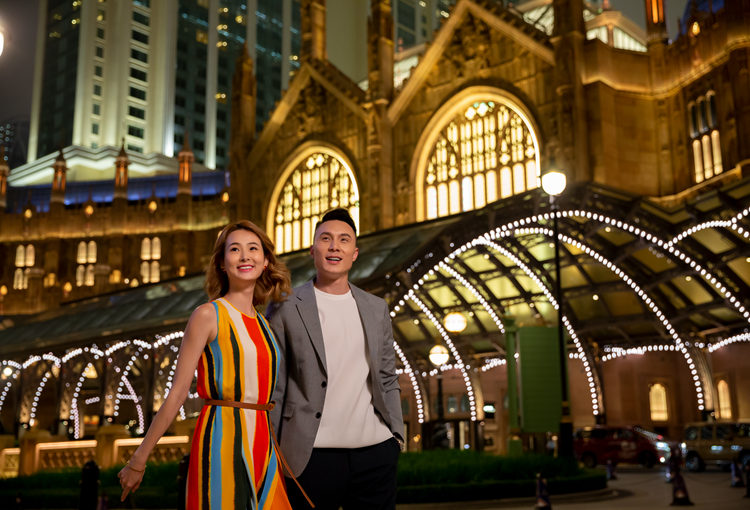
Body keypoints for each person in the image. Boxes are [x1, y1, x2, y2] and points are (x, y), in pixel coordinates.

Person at [118, 220, 294, 510]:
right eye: (234, 249)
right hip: (222, 438)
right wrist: (139, 459)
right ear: (222, 263)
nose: (245, 256)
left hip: (264, 442)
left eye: (253, 249)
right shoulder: (207, 315)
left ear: (265, 262)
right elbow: (177, 393)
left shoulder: (265, 324)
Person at [269, 208, 405, 510]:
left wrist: (396, 436)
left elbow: (386, 376)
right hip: (309, 456)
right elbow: (275, 385)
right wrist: (273, 450)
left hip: (374, 453)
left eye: (344, 240)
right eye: (326, 239)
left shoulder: (376, 308)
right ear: (312, 250)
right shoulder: (285, 307)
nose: (334, 247)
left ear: (354, 253)